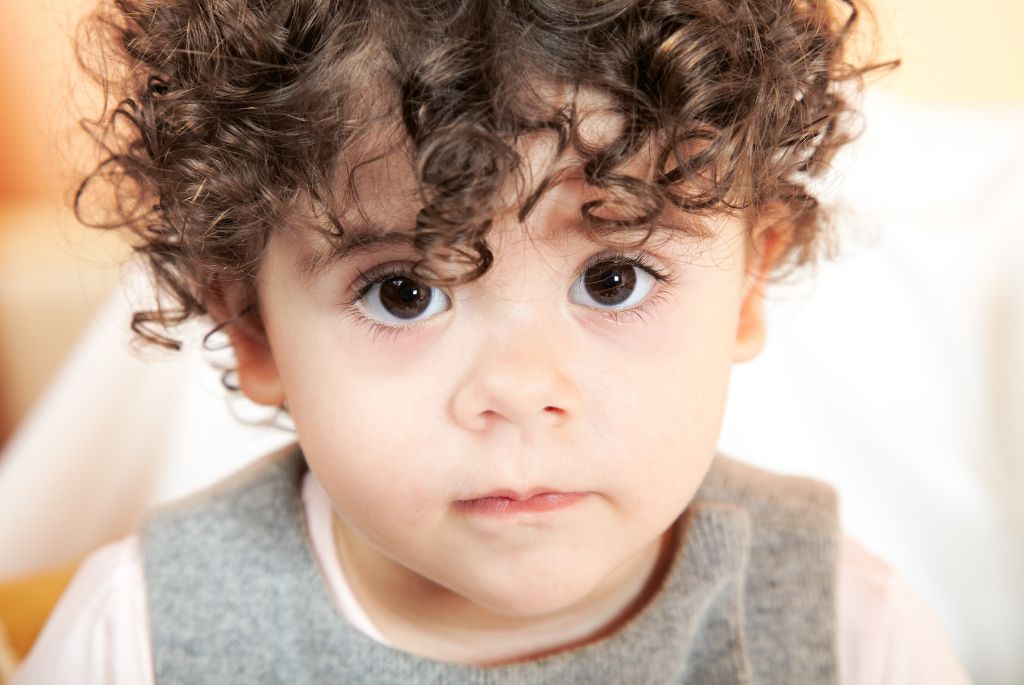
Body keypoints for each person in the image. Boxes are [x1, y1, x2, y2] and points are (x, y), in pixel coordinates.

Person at [14, 0, 971, 683]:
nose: (518, 387)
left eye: (613, 278)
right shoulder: (141, 639)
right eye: (403, 292)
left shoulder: (847, 631)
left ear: (747, 288)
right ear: (251, 326)